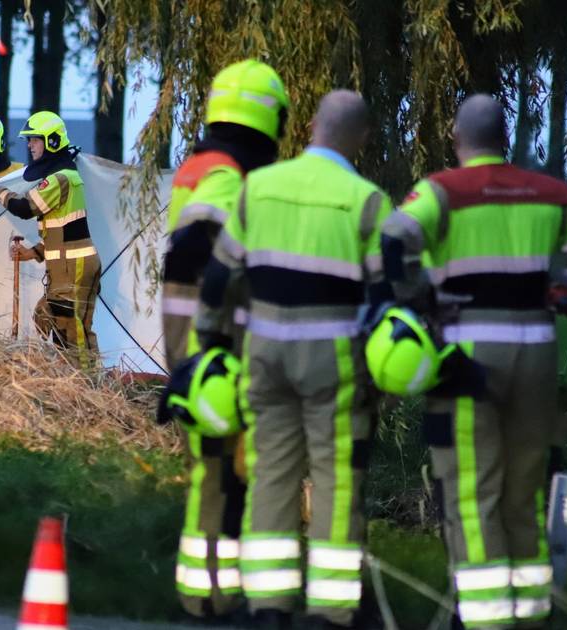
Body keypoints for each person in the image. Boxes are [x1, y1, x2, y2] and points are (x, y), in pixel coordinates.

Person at [379, 94, 567, 629]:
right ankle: (530, 615)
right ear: (504, 138)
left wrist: (422, 300)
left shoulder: (443, 191)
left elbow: (393, 239)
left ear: (456, 138)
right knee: (525, 492)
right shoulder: (549, 192)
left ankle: (486, 620)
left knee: (474, 491)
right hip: (535, 351)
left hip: (468, 354)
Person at [196, 90, 392, 629]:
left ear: (310, 127)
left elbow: (219, 277)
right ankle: (330, 611)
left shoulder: (258, 187)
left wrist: (210, 345)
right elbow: (387, 299)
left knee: (271, 475)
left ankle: (269, 607)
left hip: (265, 355)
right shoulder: (368, 201)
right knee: (336, 481)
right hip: (334, 362)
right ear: (362, 138)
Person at [162, 59, 289, 622]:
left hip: (192, 344)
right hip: (214, 346)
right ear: (269, 120)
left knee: (212, 473)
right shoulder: (228, 173)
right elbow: (196, 242)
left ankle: (206, 597)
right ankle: (217, 599)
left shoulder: (200, 163)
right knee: (228, 475)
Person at [0, 112, 101, 366]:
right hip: (66, 265)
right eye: (29, 140)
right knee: (48, 316)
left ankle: (85, 380)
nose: (29, 145)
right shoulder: (60, 175)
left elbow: (25, 208)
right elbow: (63, 231)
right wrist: (33, 253)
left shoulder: (61, 178)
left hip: (73, 266)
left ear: (52, 141)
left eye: (34, 139)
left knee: (73, 330)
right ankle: (74, 373)